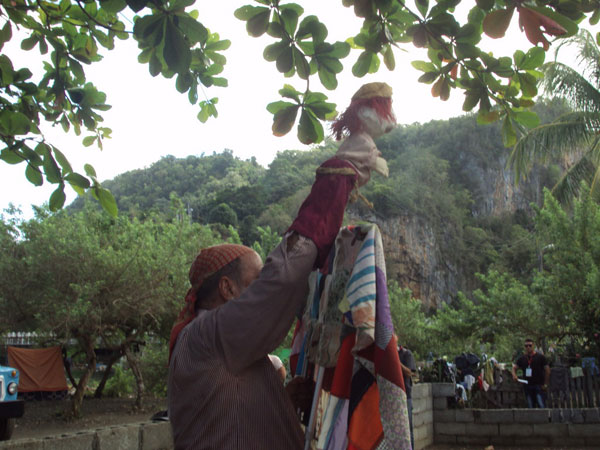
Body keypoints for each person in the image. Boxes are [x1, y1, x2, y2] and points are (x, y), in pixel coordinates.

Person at [167, 81, 394, 450]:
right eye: (255, 279)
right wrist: (336, 180)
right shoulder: (209, 336)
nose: (262, 285)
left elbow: (231, 416)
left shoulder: (220, 345)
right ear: (227, 289)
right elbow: (284, 280)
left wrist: (286, 398)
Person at [512, 338, 550, 408]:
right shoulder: (522, 358)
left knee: (541, 404)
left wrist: (545, 384)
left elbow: (547, 370)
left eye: (530, 345)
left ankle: (543, 418)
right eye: (526, 346)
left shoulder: (540, 357)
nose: (528, 347)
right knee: (530, 406)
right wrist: (514, 375)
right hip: (527, 385)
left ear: (533, 346)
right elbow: (514, 367)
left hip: (539, 385)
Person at [398, 345, 416, 450]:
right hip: (394, 395)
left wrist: (397, 361)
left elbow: (409, 373)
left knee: (408, 428)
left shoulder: (406, 353)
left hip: (405, 395)